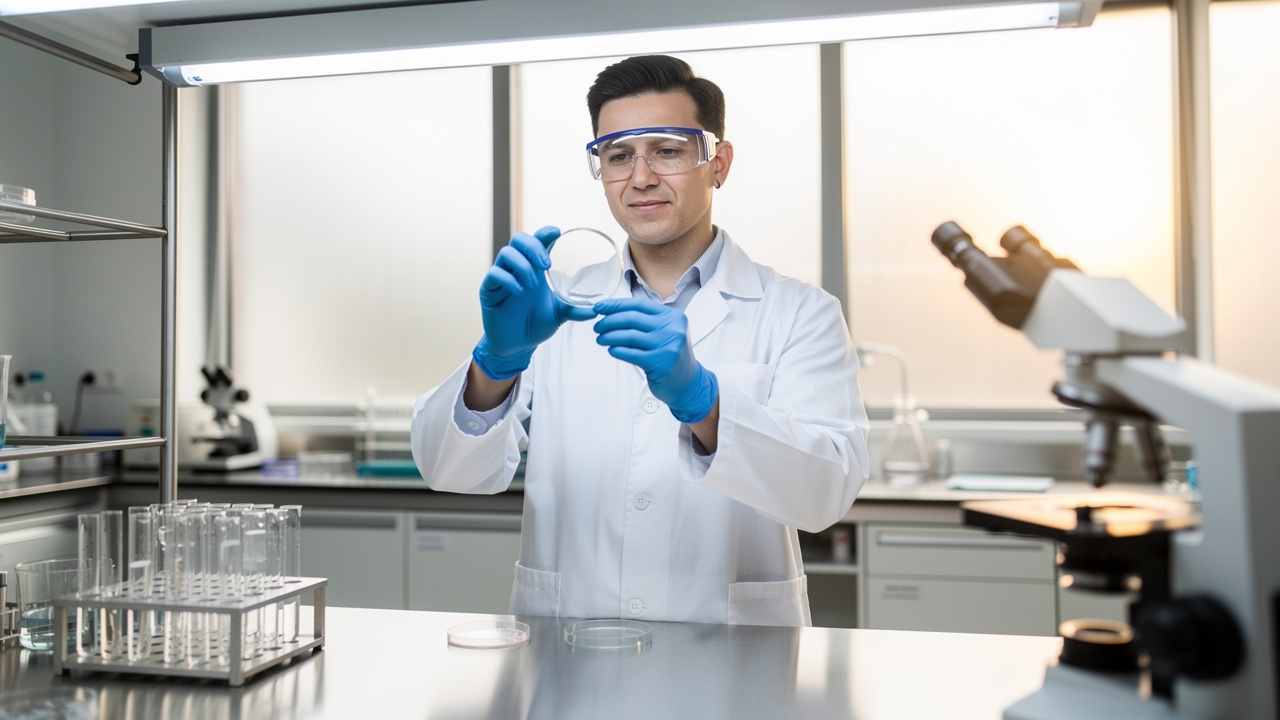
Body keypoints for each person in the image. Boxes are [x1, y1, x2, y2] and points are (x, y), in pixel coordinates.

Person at [412, 55, 869, 626]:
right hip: (571, 650)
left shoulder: (800, 314)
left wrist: (705, 403)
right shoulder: (556, 308)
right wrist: (497, 362)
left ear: (718, 163)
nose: (641, 177)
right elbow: (450, 471)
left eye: (668, 151)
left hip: (732, 661)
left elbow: (824, 493)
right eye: (617, 155)